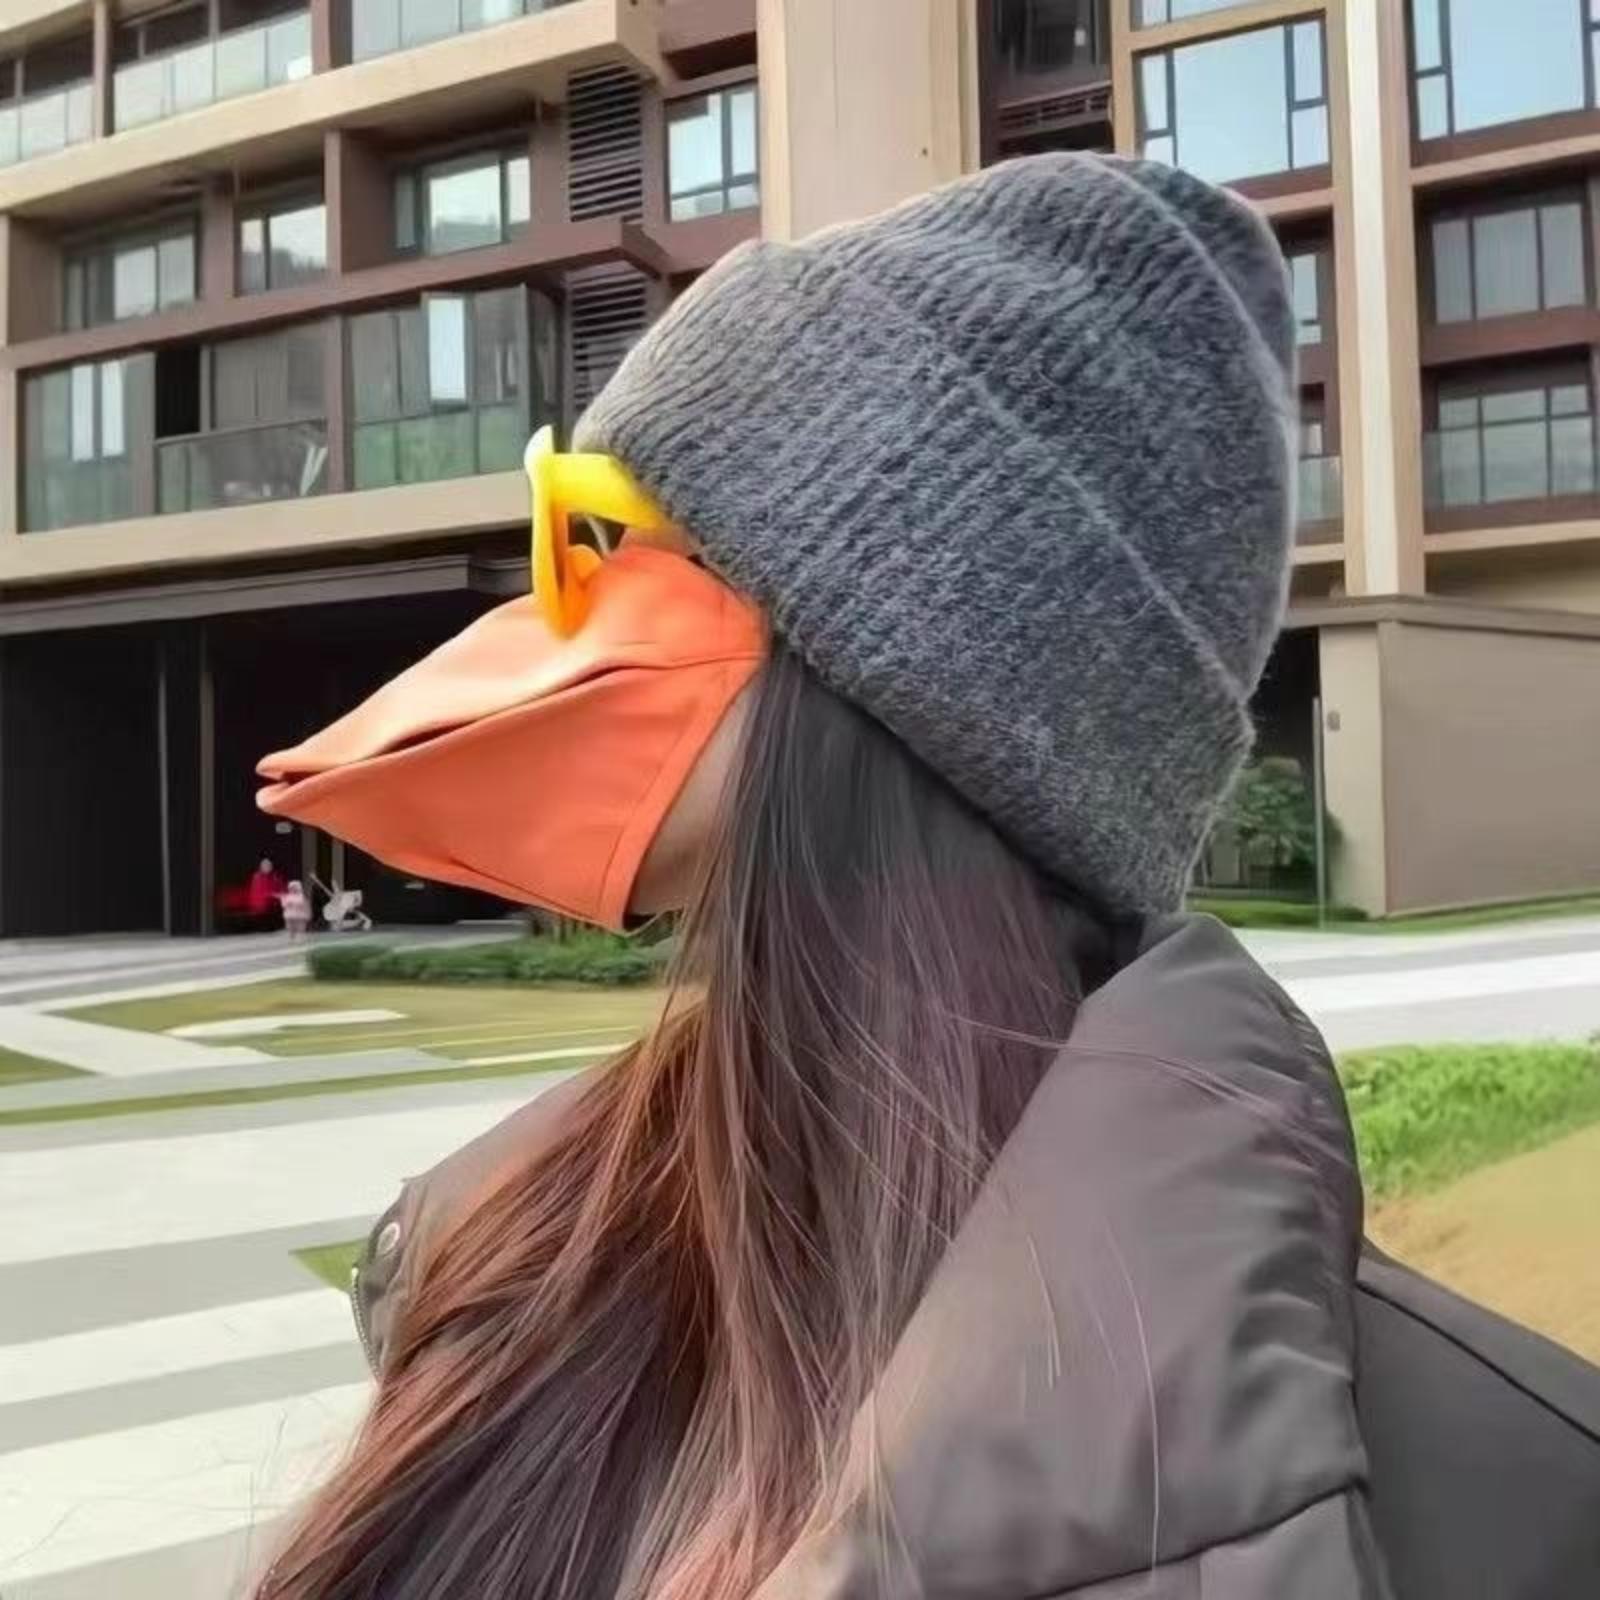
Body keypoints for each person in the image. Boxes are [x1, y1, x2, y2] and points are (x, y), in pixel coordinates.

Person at [255, 156, 1600, 1599]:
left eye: (619, 540)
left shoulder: (1529, 1499)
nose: (559, 612)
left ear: (901, 662)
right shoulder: (505, 1270)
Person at [245, 857, 287, 921]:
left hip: (272, 907)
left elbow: (280, 887)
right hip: (260, 908)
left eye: (270, 865)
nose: (269, 867)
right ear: (261, 867)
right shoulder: (257, 877)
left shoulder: (274, 876)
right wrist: (275, 895)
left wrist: (282, 892)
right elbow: (261, 893)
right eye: (266, 865)